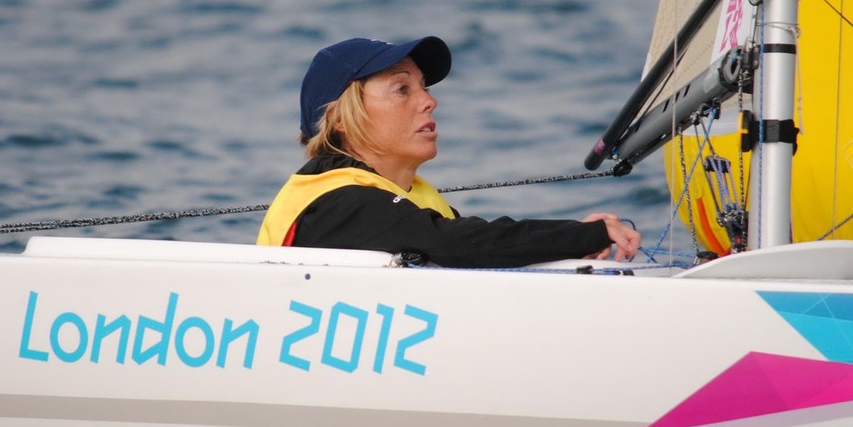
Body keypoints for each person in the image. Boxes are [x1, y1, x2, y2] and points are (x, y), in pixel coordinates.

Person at [257, 36, 641, 268]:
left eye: (424, 87)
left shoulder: (409, 201)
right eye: (402, 89)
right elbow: (462, 244)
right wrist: (579, 235)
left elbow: (480, 250)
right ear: (341, 118)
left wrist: (570, 255)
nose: (429, 101)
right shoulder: (338, 202)